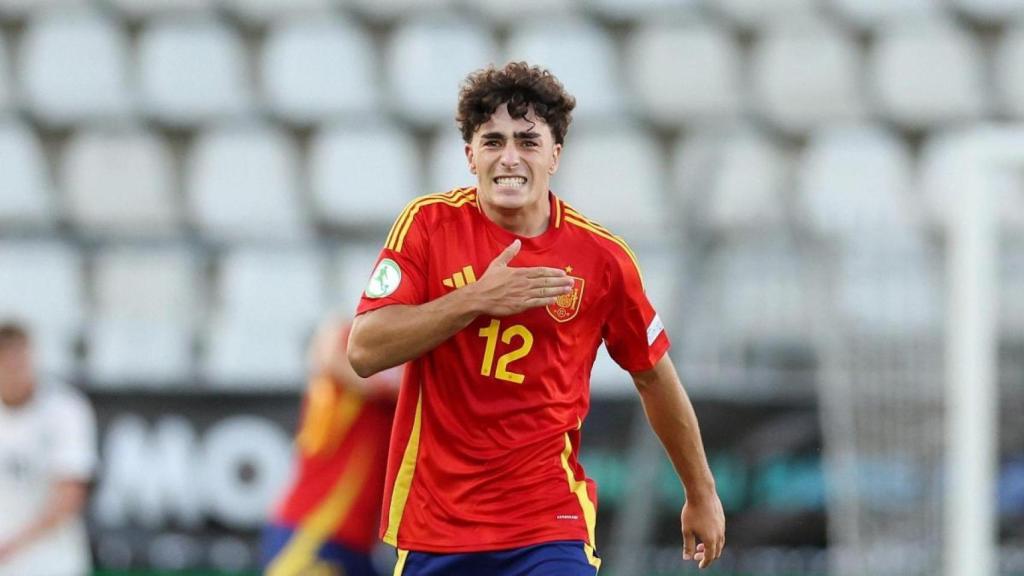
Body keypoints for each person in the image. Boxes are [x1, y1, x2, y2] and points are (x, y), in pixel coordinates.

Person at [347, 61, 725, 575]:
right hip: (437, 524)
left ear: (554, 155)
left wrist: (700, 492)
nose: (509, 158)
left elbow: (653, 375)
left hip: (549, 522)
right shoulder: (428, 227)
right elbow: (365, 351)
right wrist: (475, 299)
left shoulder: (602, 258)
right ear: (469, 156)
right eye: (493, 141)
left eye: (527, 141)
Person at [263, 317, 403, 576]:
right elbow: (328, 345)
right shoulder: (351, 374)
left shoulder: (387, 394)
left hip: (356, 541)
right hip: (314, 531)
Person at [0, 322, 98, 576]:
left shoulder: (65, 409)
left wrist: (13, 545)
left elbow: (70, 494)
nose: (13, 371)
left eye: (18, 362)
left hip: (52, 562)